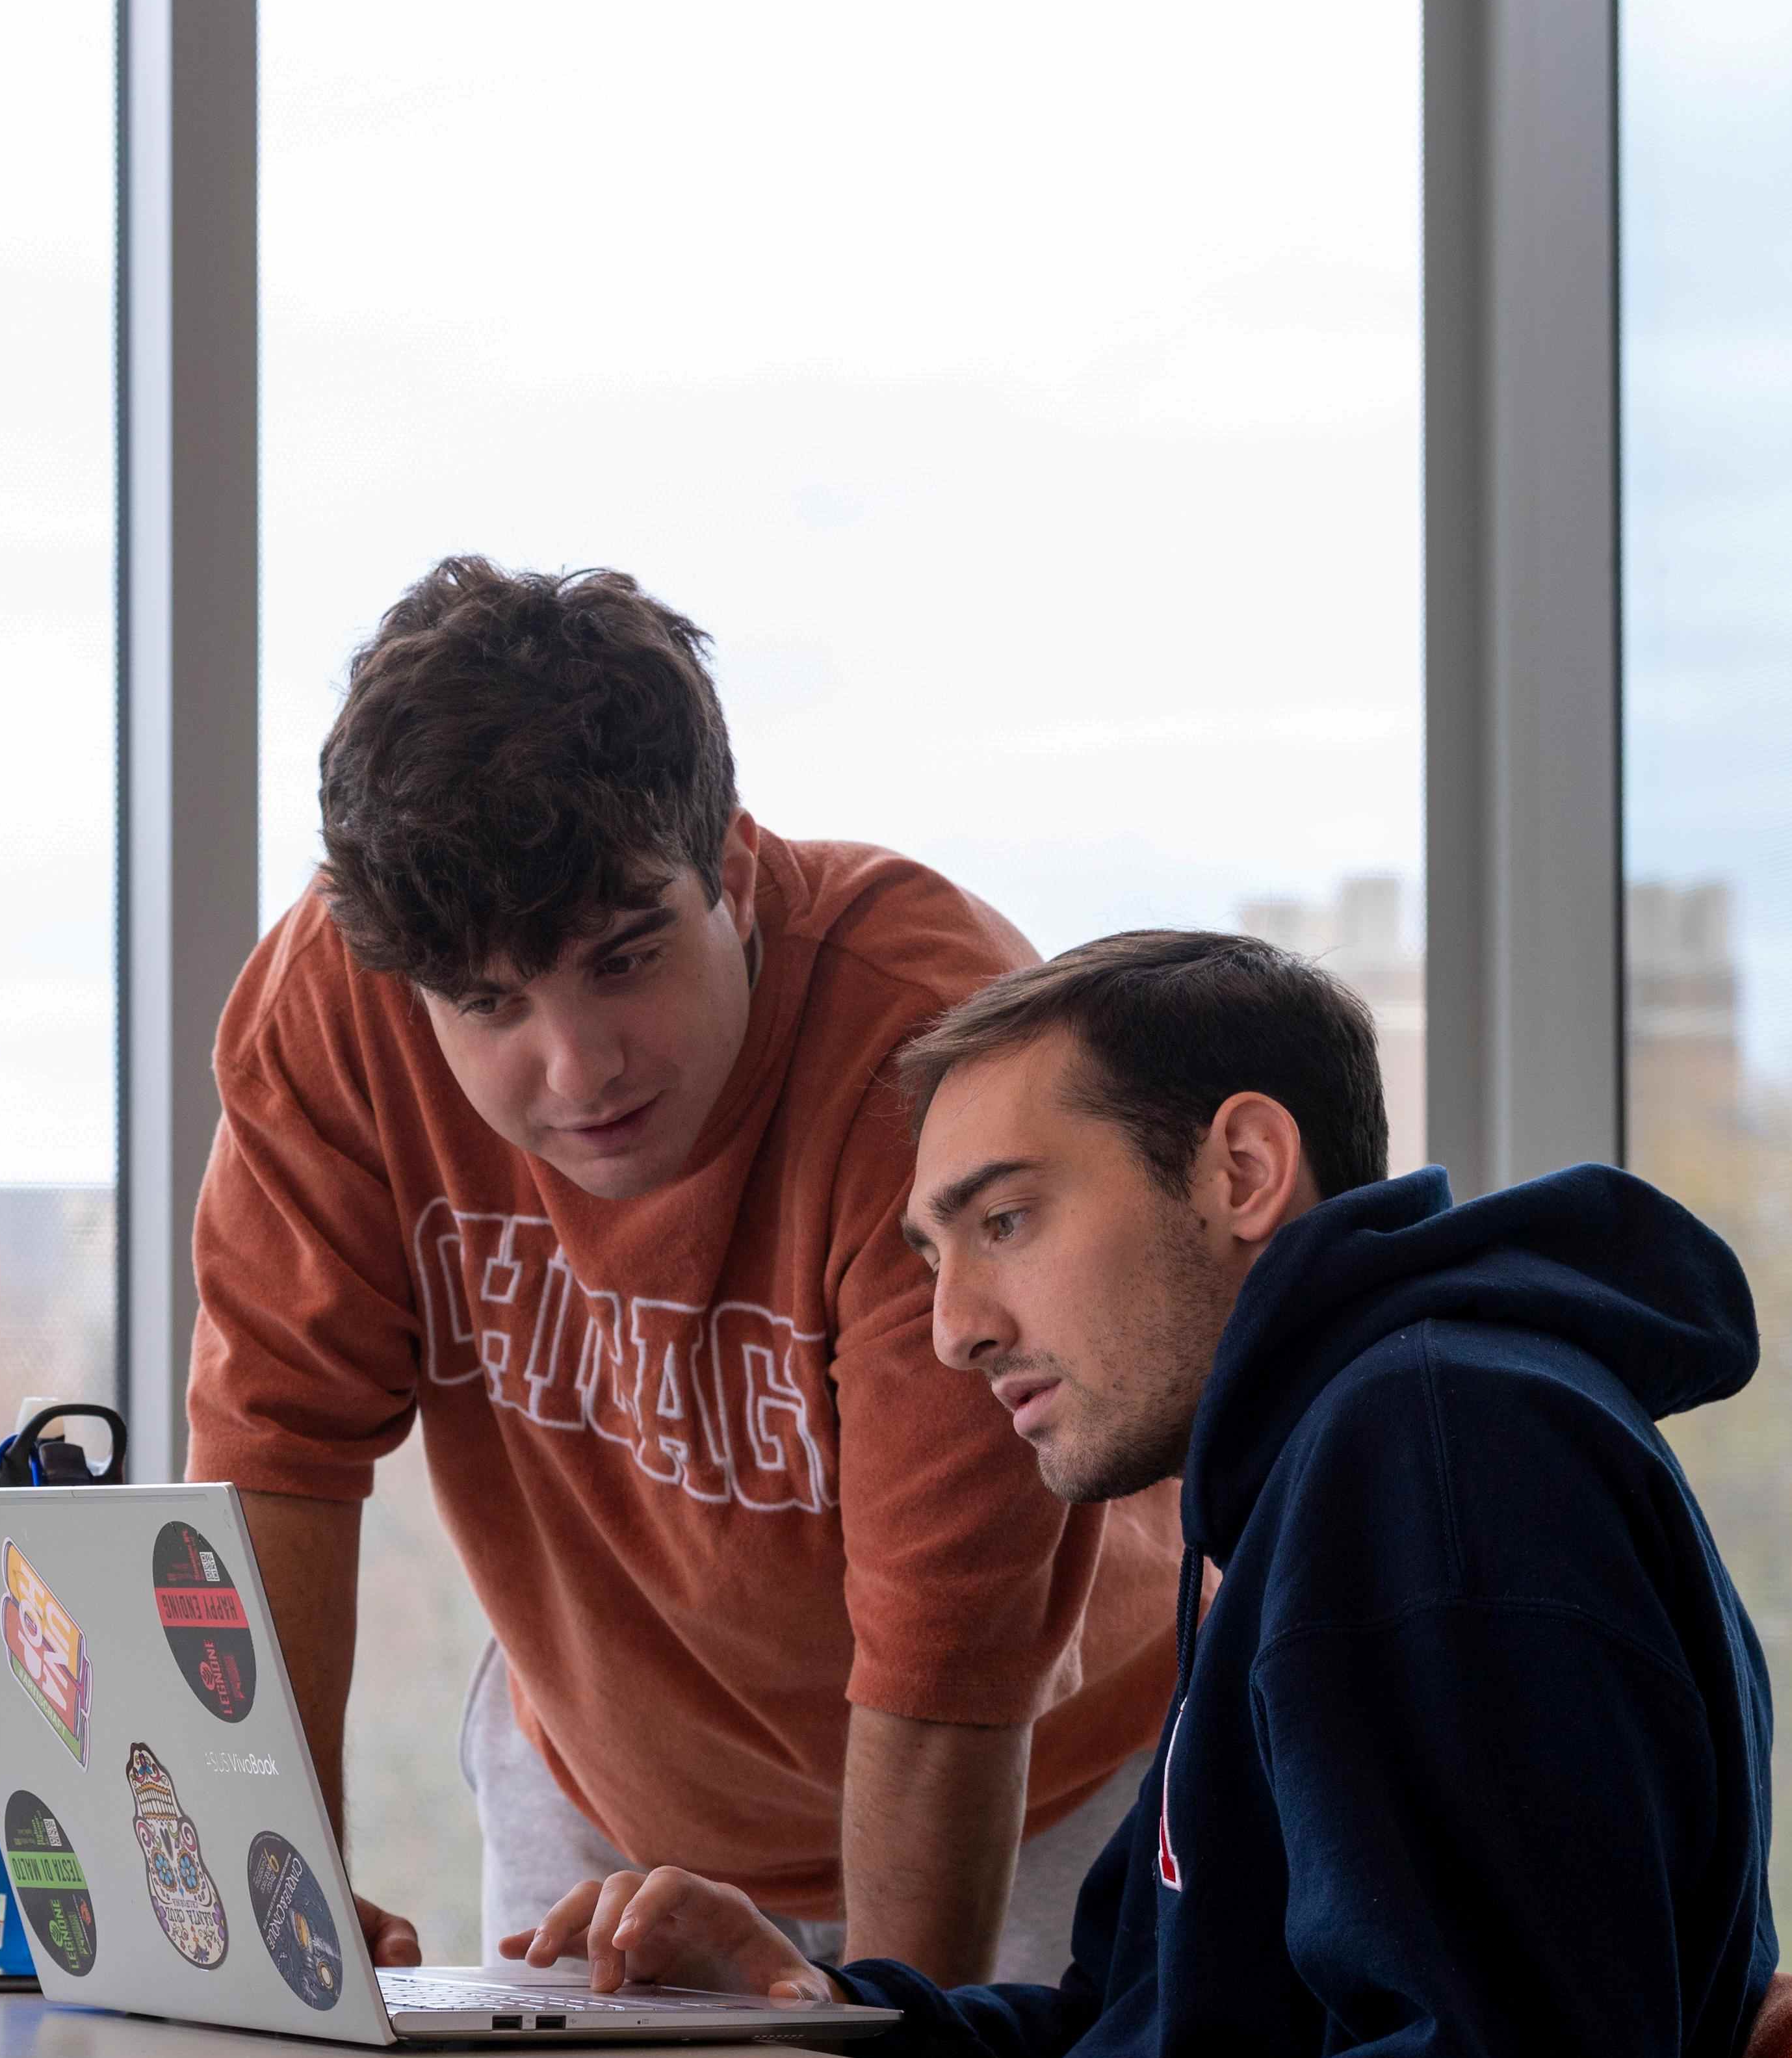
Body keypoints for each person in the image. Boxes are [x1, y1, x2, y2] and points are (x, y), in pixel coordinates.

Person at [511, 930, 1779, 2058]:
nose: (954, 1328)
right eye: (932, 1255)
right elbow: (1133, 2045)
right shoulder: (1307, 1471)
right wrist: (814, 2006)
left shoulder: (1435, 1461)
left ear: (1241, 1168)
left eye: (1005, 1219)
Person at [190, 558, 1178, 1983]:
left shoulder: (929, 1054)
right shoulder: (336, 1003)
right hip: (597, 1784)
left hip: (1031, 1789)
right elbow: (273, 1453)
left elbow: (951, 1654)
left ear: (724, 857)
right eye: (489, 1005)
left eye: (626, 959)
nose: (577, 1066)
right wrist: (275, 1913)